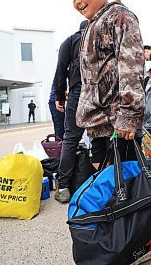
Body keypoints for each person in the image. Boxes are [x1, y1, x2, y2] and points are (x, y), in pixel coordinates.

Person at [55, 0, 151, 264]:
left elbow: (131, 67)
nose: (77, 1)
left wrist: (128, 115)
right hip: (99, 123)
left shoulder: (120, 16)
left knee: (127, 182)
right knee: (112, 182)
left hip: (118, 121)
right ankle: (122, 234)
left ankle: (143, 242)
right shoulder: (91, 26)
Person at [52, 21, 87, 203]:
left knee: (71, 139)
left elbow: (60, 70)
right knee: (102, 137)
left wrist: (59, 95)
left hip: (78, 91)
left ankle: (64, 187)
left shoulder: (71, 40)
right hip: (102, 93)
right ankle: (108, 181)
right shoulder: (103, 36)